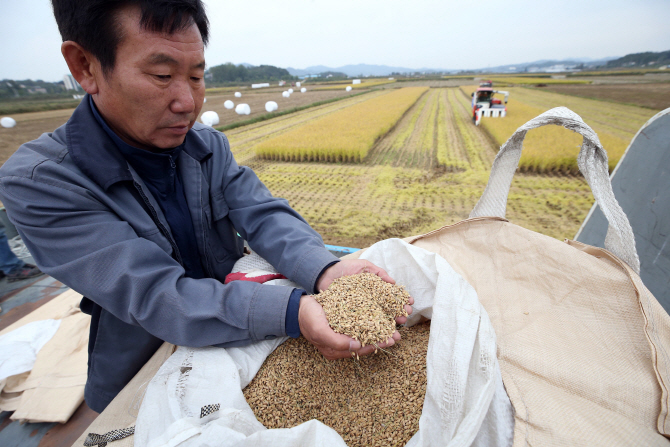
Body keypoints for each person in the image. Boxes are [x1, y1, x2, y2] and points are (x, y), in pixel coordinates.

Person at [0, 0, 412, 413]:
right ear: (85, 66)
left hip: (241, 343)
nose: (187, 103)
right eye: (162, 76)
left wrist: (324, 268)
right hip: (142, 374)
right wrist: (293, 311)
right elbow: (156, 295)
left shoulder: (204, 145)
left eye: (196, 76)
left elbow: (264, 214)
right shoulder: (42, 183)